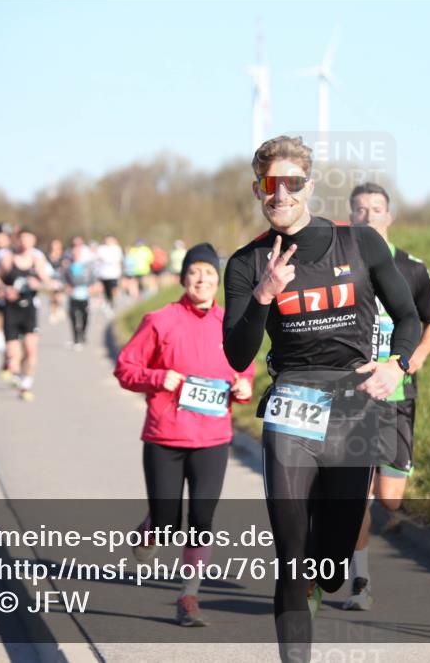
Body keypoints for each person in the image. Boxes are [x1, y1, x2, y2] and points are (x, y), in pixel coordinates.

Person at [222, 136, 420, 662]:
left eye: (291, 183)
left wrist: (395, 363)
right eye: (269, 184)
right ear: (258, 190)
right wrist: (264, 295)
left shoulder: (360, 243)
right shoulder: (247, 262)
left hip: (353, 404)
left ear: (308, 185)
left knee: (329, 564)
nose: (280, 193)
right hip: (293, 405)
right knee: (291, 558)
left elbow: (410, 318)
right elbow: (238, 354)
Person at [115, 243, 256, 627]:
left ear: (218, 282)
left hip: (213, 437)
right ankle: (150, 530)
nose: (202, 280)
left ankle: (188, 596)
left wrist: (244, 385)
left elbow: (244, 368)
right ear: (183, 279)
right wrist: (158, 377)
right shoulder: (159, 320)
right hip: (165, 435)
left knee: (201, 519)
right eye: (195, 272)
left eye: (209, 274)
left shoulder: (230, 323)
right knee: (165, 522)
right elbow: (125, 368)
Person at [342, 182, 430, 611]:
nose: (368, 216)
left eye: (376, 209)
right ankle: (360, 584)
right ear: (351, 217)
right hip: (355, 398)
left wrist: (416, 355)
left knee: (391, 499)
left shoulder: (412, 268)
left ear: (389, 216)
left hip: (399, 394)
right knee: (357, 495)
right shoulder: (340, 266)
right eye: (360, 210)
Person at [0, 228, 52, 401]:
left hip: (29, 309)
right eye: (22, 238)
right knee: (14, 354)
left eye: (29, 239)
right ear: (17, 240)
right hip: (11, 309)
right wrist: (3, 288)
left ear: (33, 241)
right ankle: (14, 369)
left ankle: (26, 385)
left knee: (32, 351)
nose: (25, 242)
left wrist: (38, 284)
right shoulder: (7, 258)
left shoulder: (36, 259)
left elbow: (46, 281)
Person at [63, 240, 96, 349]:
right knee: (73, 317)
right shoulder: (68, 268)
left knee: (85, 316)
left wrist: (91, 287)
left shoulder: (87, 267)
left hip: (84, 295)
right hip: (73, 296)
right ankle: (76, 339)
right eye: (74, 254)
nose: (76, 255)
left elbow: (92, 279)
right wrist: (67, 287)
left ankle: (83, 334)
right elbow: (65, 280)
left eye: (78, 253)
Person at [96, 236, 124, 319]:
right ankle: (109, 303)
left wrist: (120, 272)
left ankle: (113, 301)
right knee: (106, 290)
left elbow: (119, 260)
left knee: (113, 289)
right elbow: (99, 259)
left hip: (114, 274)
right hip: (104, 274)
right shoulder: (101, 249)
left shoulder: (116, 248)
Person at [47, 239, 66, 325]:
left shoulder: (63, 256)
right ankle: (52, 313)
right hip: (51, 279)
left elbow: (65, 267)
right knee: (52, 297)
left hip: (60, 279)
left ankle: (60, 309)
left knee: (59, 296)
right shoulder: (48, 256)